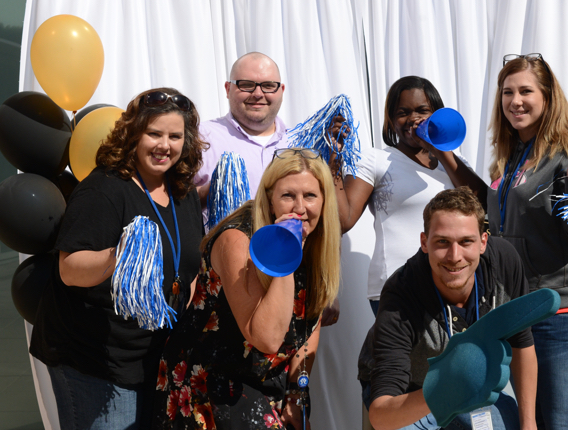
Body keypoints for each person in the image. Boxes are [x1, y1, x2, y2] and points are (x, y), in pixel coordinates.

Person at [29, 88, 206, 429]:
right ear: (133, 133)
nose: (164, 145)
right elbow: (69, 269)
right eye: (154, 133)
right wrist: (120, 255)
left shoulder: (181, 192)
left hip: (152, 359)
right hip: (96, 363)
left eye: (174, 136)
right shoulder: (105, 189)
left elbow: (187, 268)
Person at [152, 148, 340, 429]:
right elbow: (265, 337)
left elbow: (310, 321)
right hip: (208, 384)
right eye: (288, 195)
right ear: (269, 199)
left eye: (310, 196)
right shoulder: (237, 240)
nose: (299, 208)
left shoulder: (317, 241)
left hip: (264, 381)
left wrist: (297, 391)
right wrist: (283, 255)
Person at [487, 53, 568, 429]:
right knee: (533, 421)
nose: (515, 100)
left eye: (525, 91)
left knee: (563, 421)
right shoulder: (511, 155)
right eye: (507, 92)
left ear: (548, 96)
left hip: (565, 314)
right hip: (523, 311)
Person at [358, 187, 537, 430]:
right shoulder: (400, 293)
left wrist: (529, 425)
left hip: (472, 387)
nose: (454, 256)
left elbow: (522, 342)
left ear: (483, 242)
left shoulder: (505, 262)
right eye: (442, 242)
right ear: (424, 242)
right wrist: (444, 390)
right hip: (410, 393)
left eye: (466, 242)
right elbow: (381, 415)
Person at [332, 76, 486, 314]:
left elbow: (484, 205)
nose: (413, 119)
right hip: (397, 288)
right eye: (402, 112)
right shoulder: (376, 160)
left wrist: (440, 150)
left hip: (452, 285)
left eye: (422, 111)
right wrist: (334, 162)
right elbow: (343, 220)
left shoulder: (454, 163)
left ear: (436, 113)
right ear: (392, 121)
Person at [195, 52, 288, 218]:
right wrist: (212, 190)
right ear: (228, 89)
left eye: (268, 85)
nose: (258, 94)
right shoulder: (199, 137)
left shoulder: (299, 142)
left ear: (281, 90)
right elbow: (172, 203)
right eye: (246, 84)